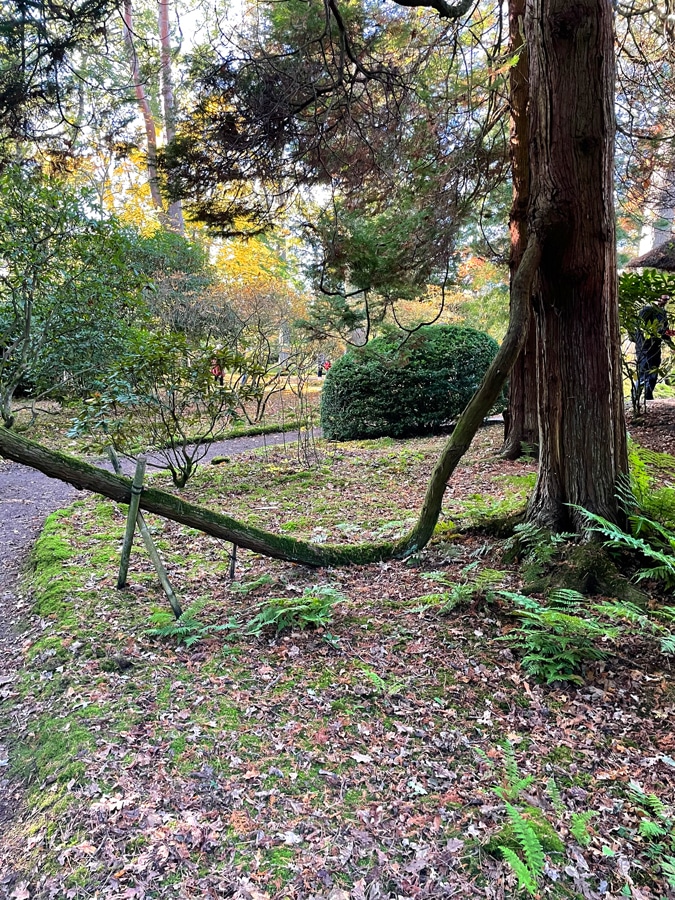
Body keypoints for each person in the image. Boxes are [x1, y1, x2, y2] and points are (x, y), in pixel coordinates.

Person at [635, 294, 675, 400]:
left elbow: (665, 333)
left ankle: (648, 396)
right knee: (644, 371)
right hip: (644, 347)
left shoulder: (663, 313)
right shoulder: (646, 310)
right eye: (663, 299)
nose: (665, 301)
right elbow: (641, 329)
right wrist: (662, 332)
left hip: (656, 347)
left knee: (654, 370)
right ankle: (636, 397)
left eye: (667, 300)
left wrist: (672, 346)